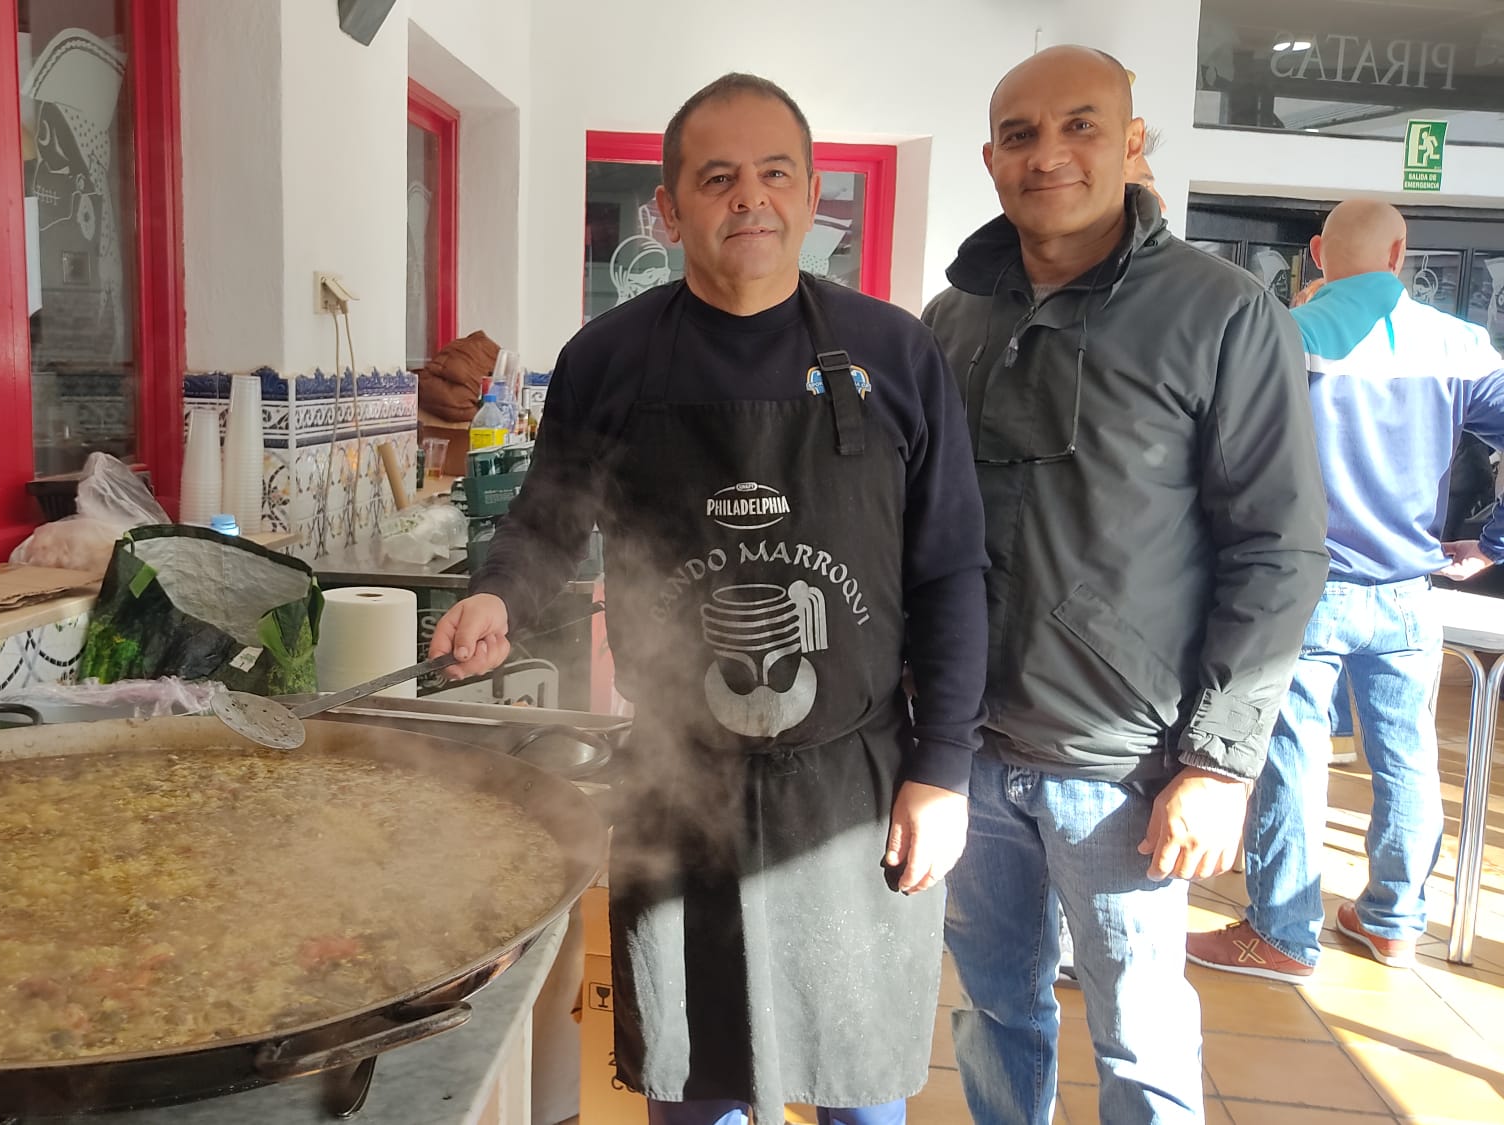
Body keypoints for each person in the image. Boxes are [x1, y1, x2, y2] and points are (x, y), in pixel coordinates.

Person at [431, 73, 988, 1125]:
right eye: (717, 177)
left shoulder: (892, 353)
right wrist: (498, 597)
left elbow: (950, 569)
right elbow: (546, 524)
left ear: (813, 191)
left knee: (858, 1090)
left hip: (854, 782)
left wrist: (942, 770)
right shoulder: (607, 358)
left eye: (773, 173)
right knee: (695, 1094)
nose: (749, 199)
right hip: (675, 786)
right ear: (669, 207)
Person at [921, 46, 1327, 1125]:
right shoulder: (950, 318)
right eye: (1018, 135)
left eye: (1079, 125)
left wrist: (1219, 764)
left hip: (1123, 766)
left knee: (1137, 1031)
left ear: (1131, 143)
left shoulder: (1223, 312)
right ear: (988, 158)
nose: (1047, 154)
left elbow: (1277, 549)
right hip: (965, 754)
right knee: (991, 1011)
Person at [1187, 200, 1504, 980]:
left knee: (1294, 754)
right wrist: (1493, 541)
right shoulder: (1458, 344)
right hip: (1407, 590)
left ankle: (1283, 934)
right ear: (1401, 251)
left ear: (1319, 252)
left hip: (1304, 585)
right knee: (1407, 757)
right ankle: (1395, 920)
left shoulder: (1285, 332)